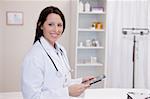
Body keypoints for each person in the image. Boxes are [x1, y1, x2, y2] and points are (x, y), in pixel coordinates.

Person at [21, 6, 95, 99]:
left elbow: (62, 82)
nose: (56, 30)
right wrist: (67, 92)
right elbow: (32, 96)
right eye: (51, 24)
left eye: (59, 25)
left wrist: (80, 81)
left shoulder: (61, 50)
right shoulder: (34, 56)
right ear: (41, 25)